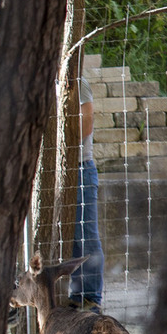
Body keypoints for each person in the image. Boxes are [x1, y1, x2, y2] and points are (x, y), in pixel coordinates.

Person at [69, 77, 104, 313]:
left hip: (80, 168)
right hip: (55, 172)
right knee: (69, 239)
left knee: (86, 238)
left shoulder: (77, 81)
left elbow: (86, 123)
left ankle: (90, 299)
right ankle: (74, 297)